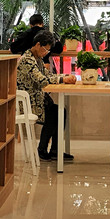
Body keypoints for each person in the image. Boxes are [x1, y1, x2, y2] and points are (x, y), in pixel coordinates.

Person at [16, 30, 75, 162]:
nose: (46, 53)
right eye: (45, 50)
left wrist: (64, 76)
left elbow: (48, 75)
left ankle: (54, 150)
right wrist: (62, 79)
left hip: (38, 99)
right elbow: (41, 80)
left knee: (60, 111)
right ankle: (42, 149)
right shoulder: (27, 60)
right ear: (38, 45)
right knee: (55, 113)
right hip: (29, 103)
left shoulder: (37, 59)